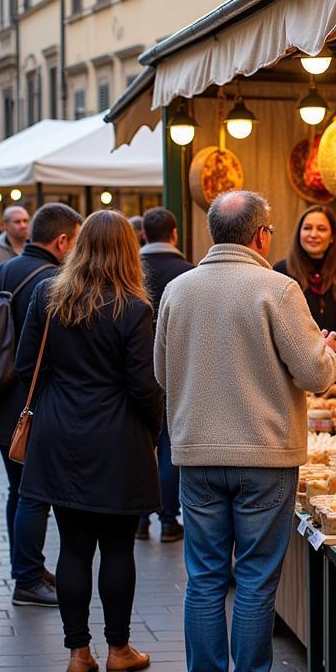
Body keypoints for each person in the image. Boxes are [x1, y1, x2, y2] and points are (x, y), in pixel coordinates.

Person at [155, 190, 336, 672]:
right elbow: (315, 374)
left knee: (205, 579)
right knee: (256, 580)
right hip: (265, 454)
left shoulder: (178, 289)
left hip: (196, 455)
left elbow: (163, 375)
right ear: (262, 236)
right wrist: (325, 350)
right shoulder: (278, 289)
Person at [15, 210, 163, 672]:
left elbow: (25, 366)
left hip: (59, 434)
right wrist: (154, 429)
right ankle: (118, 649)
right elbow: (143, 385)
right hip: (118, 438)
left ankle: (78, 654)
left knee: (73, 547)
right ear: (127, 250)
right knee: (118, 548)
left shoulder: (48, 296)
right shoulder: (135, 308)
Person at [0, 202, 84, 607]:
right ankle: (27, 578)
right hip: (29, 405)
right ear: (63, 240)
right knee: (33, 494)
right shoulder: (54, 281)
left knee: (17, 490)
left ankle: (28, 566)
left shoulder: (4, 268)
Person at [137, 207, 193, 542]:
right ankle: (169, 519)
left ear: (144, 233)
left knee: (142, 446)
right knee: (170, 445)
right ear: (174, 234)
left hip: (135, 370)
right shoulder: (188, 272)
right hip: (176, 370)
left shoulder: (131, 270)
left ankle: (140, 518)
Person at [273, 205, 336, 383]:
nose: (313, 234)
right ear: (299, 234)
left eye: (322, 229)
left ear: (332, 237)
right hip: (296, 379)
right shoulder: (281, 272)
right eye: (307, 228)